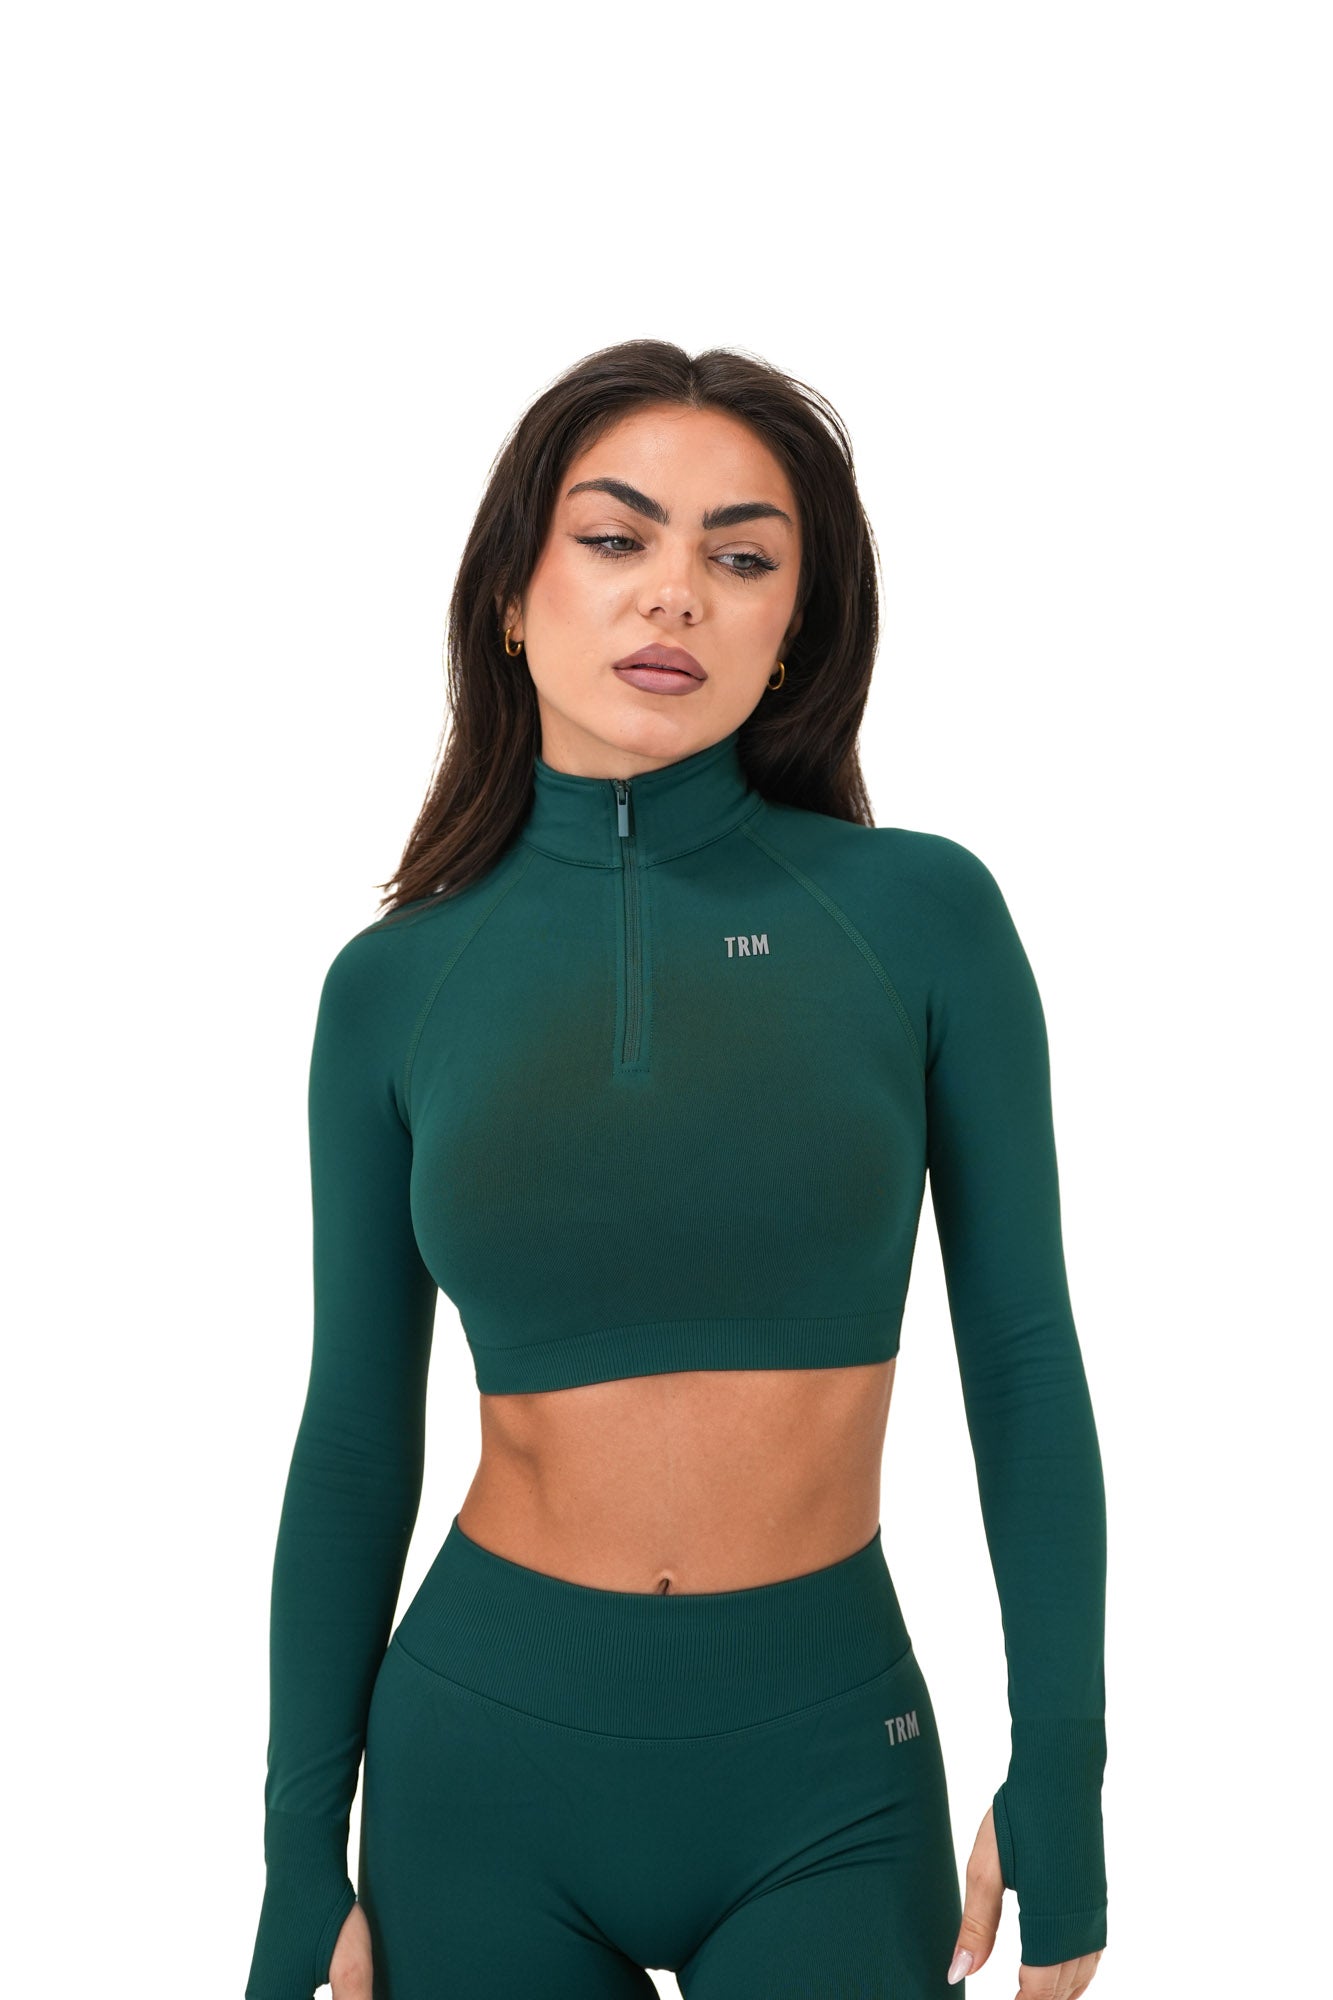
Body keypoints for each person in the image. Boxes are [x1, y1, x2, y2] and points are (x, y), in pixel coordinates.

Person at [243, 339, 1109, 2000]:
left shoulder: (920, 920)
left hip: (825, 1775)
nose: (676, 595)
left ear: (796, 631)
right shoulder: (393, 988)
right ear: (513, 594)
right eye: (614, 537)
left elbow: (1019, 1358)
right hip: (477, 1770)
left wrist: (1058, 1769)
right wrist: (297, 1852)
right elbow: (353, 1434)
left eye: (742, 558)